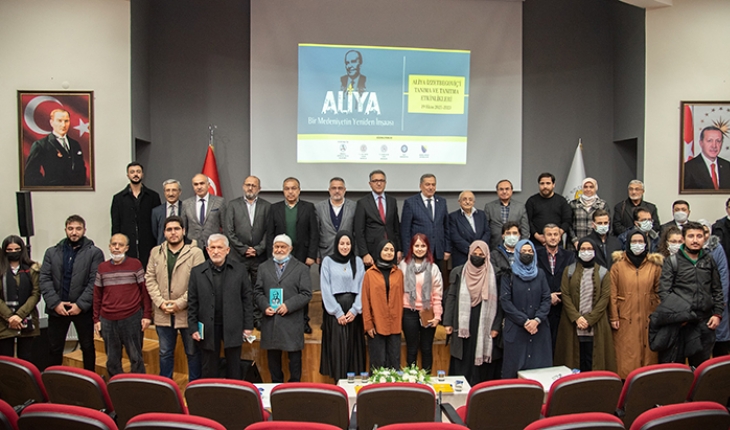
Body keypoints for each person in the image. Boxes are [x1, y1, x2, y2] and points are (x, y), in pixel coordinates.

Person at [653, 222, 723, 366]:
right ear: (684, 239)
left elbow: (717, 290)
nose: (695, 240)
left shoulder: (709, 260)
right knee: (677, 370)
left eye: (699, 236)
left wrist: (717, 314)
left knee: (702, 368)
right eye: (691, 236)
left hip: (704, 323)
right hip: (681, 324)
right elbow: (665, 292)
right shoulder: (672, 261)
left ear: (704, 238)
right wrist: (679, 316)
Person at [40, 215, 103, 370]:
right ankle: (54, 379)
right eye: (70, 229)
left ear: (84, 230)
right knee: (54, 348)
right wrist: (55, 303)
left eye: (78, 229)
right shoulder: (51, 252)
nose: (74, 232)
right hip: (57, 309)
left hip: (82, 310)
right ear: (65, 230)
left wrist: (80, 305)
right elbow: (45, 279)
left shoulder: (94, 253)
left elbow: (95, 282)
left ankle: (89, 380)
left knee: (87, 347)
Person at [146, 216, 205, 381]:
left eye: (177, 229)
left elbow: (199, 283)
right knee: (165, 353)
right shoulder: (156, 252)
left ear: (183, 231)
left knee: (192, 352)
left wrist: (179, 303)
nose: (173, 233)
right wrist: (160, 302)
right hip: (163, 312)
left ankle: (194, 387)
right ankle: (166, 387)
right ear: (164, 233)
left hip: (187, 313)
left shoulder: (195, 253)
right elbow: (149, 278)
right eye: (169, 230)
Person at [188, 234, 254, 379]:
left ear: (227, 250)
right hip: (208, 327)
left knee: (234, 367)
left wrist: (248, 325)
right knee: (209, 368)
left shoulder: (240, 270)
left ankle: (234, 391)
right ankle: (212, 392)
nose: (216, 251)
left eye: (220, 247)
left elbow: (247, 299)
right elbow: (192, 302)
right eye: (212, 248)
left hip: (233, 325)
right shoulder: (197, 272)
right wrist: (193, 327)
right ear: (207, 250)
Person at [254, 234, 312, 382]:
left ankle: (293, 389)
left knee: (295, 361)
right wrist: (265, 306)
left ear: (290, 249)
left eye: (283, 247)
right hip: (271, 322)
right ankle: (276, 388)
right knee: (273, 361)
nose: (279, 250)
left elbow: (306, 294)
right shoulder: (263, 267)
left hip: (291, 321)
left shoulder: (301, 268)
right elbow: (257, 292)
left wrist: (288, 305)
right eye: (277, 246)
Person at [93, 233, 152, 377]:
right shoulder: (102, 267)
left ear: (126, 248)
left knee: (136, 357)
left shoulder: (135, 265)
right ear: (109, 247)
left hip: (131, 318)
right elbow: (97, 295)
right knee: (112, 360)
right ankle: (117, 386)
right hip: (108, 320)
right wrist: (96, 319)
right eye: (114, 244)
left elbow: (145, 292)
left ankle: (138, 385)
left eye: (120, 245)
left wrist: (147, 315)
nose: (117, 247)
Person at [444, 240, 502, 385]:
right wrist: (448, 322)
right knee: (462, 358)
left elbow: (500, 303)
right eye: (474, 254)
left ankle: (480, 390)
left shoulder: (496, 274)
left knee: (481, 363)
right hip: (462, 321)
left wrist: (496, 327)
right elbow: (451, 297)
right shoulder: (459, 272)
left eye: (481, 254)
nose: (477, 257)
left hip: (484, 321)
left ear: (486, 256)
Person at [555, 238, 616, 372]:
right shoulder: (569, 271)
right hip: (572, 325)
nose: (586, 252)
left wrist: (589, 320)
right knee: (574, 362)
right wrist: (577, 318)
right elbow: (565, 295)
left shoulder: (603, 273)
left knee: (593, 362)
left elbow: (604, 298)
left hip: (596, 325)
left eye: (589, 249)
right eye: (583, 249)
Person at [267, 177, 318, 334]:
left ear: (299, 190)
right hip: (280, 256)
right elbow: (270, 234)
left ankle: (303, 321)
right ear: (283, 191)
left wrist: (311, 255)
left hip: (302, 255)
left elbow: (314, 233)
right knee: (281, 287)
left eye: (293, 188)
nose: (290, 191)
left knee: (302, 289)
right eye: (287, 188)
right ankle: (280, 319)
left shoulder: (308, 207)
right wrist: (271, 256)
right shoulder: (274, 208)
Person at [609, 230, 663, 379]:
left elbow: (659, 292)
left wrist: (657, 314)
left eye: (641, 241)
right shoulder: (618, 266)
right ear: (628, 243)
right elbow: (612, 294)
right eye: (634, 241)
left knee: (648, 356)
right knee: (626, 354)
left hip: (648, 317)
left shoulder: (654, 266)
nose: (637, 245)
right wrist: (614, 317)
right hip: (625, 318)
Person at [500, 239, 552, 378]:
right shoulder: (508, 274)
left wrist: (537, 320)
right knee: (514, 374)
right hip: (516, 330)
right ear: (517, 253)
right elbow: (505, 301)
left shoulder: (540, 274)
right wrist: (525, 321)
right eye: (524, 251)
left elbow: (546, 298)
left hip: (539, 329)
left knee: (540, 373)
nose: (527, 254)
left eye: (530, 251)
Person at [319, 231, 366, 380]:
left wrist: (355, 309)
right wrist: (337, 312)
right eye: (342, 244)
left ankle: (352, 386)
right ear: (336, 244)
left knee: (353, 349)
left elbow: (362, 287)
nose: (345, 247)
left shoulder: (358, 261)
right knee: (338, 350)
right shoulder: (327, 261)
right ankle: (338, 385)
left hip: (353, 310)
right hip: (335, 311)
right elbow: (325, 288)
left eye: (348, 244)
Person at [225, 176, 270, 329]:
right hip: (238, 256)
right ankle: (243, 318)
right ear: (243, 186)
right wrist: (244, 249)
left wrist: (258, 249)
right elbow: (229, 231)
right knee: (239, 288)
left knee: (259, 289)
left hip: (259, 257)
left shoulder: (267, 206)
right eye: (248, 185)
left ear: (259, 188)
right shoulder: (233, 205)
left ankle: (257, 317)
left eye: (254, 185)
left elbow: (269, 231)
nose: (250, 188)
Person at [398, 233, 443, 371]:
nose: (419, 249)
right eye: (416, 245)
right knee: (411, 349)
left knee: (426, 348)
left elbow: (437, 294)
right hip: (408, 311)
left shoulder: (433, 268)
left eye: (423, 246)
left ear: (427, 248)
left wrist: (437, 316)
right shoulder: (403, 266)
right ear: (411, 247)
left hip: (427, 311)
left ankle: (426, 379)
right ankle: (411, 379)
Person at [362, 239, 404, 369]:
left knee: (394, 361)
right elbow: (365, 300)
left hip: (394, 324)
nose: (389, 252)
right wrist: (368, 324)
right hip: (376, 325)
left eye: (391, 250)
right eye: (386, 249)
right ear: (379, 251)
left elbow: (401, 297)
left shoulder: (398, 273)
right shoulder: (369, 274)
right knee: (378, 363)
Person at [111, 162, 161, 267]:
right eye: (132, 172)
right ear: (128, 175)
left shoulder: (153, 196)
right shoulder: (119, 198)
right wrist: (117, 244)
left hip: (149, 243)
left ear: (142, 174)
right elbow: (116, 224)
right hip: (128, 244)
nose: (135, 174)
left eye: (138, 172)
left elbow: (158, 222)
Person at [0, 236, 40, 361]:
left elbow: (36, 294)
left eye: (17, 249)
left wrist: (19, 315)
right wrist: (10, 317)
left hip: (27, 320)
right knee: (6, 360)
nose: (13, 252)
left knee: (26, 358)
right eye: (9, 250)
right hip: (3, 322)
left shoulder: (32, 268)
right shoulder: (1, 269)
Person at [537, 224, 576, 351]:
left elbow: (572, 279)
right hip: (542, 306)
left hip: (562, 305)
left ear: (560, 237)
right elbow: (535, 279)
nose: (553, 237)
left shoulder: (570, 256)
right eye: (549, 234)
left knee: (561, 346)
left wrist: (559, 295)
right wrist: (548, 297)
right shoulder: (536, 255)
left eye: (555, 234)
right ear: (544, 237)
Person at [400, 174, 451, 270]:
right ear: (420, 186)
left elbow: (446, 227)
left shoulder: (442, 202)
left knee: (437, 277)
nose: (431, 187)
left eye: (433, 184)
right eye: (427, 184)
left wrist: (447, 249)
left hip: (438, 251)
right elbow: (405, 230)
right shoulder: (411, 202)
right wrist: (407, 253)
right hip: (418, 251)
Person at [24, 109, 86, 186]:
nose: (63, 125)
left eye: (66, 121)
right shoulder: (41, 145)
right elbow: (30, 175)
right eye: (59, 121)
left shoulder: (75, 144)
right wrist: (49, 187)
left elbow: (81, 170)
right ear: (51, 122)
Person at [354, 170, 401, 266]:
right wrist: (364, 253)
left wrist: (399, 249)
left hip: (391, 251)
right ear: (370, 184)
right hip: (371, 252)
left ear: (385, 183)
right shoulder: (362, 203)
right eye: (375, 181)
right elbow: (359, 231)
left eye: (381, 181)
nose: (379, 183)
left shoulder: (392, 201)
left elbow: (396, 228)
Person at [698, 220, 730, 357]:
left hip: (718, 301)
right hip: (700, 303)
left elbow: (723, 275)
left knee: (720, 340)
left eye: (706, 232)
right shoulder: (692, 250)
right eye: (700, 233)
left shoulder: (717, 248)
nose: (703, 235)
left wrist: (721, 301)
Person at [182, 174, 226, 255]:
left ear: (208, 185)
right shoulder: (186, 204)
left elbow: (225, 227)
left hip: (213, 248)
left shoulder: (219, 202)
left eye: (202, 183)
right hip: (193, 248)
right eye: (196, 184)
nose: (199, 187)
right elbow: (184, 229)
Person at [315, 177, 357, 262]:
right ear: (329, 190)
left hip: (348, 253)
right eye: (334, 188)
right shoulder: (319, 207)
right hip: (326, 253)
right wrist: (316, 254)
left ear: (344, 190)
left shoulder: (354, 207)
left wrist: (357, 253)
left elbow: (357, 232)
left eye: (340, 188)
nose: (337, 191)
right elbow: (316, 232)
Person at [525, 173, 572, 247]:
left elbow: (567, 220)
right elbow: (527, 221)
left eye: (548, 183)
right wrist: (537, 236)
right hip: (537, 243)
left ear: (553, 185)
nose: (545, 186)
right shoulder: (531, 201)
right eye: (542, 183)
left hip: (556, 242)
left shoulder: (561, 201)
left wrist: (557, 235)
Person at [484, 179, 530, 252]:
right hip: (495, 245)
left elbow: (525, 229)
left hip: (515, 246)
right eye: (501, 189)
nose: (504, 191)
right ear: (497, 191)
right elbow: (485, 228)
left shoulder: (520, 207)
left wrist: (523, 245)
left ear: (511, 191)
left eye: (507, 189)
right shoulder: (489, 207)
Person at [449, 191, 490, 268]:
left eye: (470, 199)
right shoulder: (453, 217)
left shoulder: (481, 214)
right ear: (459, 202)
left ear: (474, 202)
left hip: (480, 254)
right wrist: (472, 250)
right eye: (464, 199)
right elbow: (455, 237)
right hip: (462, 255)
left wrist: (480, 248)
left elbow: (487, 232)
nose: (467, 202)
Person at [568, 178, 608, 248]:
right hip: (575, 245)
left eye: (591, 187)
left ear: (595, 188)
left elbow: (606, 225)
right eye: (585, 187)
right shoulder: (573, 204)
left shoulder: (602, 205)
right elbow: (568, 224)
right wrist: (575, 241)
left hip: (596, 245)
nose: (588, 189)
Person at [151, 179, 184, 245]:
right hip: (163, 247)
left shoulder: (186, 208)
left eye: (174, 190)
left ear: (180, 192)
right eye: (168, 190)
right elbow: (155, 232)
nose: (171, 194)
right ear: (164, 192)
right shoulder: (156, 211)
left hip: (183, 247)